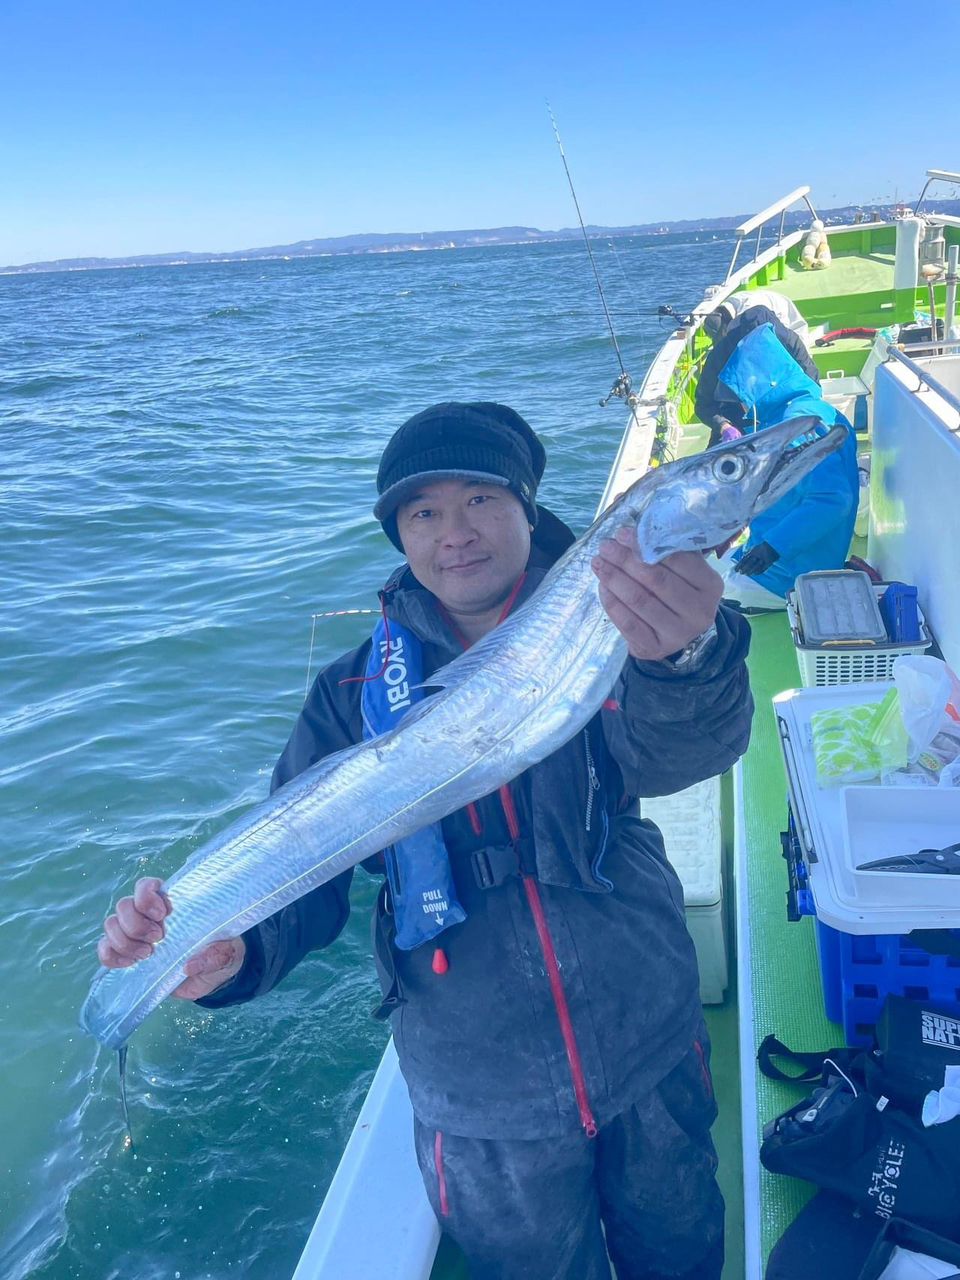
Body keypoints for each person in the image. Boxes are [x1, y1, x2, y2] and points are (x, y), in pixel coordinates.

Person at [97, 402, 754, 1280]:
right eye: (424, 512)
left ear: (529, 508)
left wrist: (688, 656)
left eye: (482, 498)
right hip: (480, 1093)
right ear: (399, 535)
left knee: (681, 1252)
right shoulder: (351, 691)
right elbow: (305, 878)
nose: (457, 533)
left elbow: (689, 753)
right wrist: (230, 955)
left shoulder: (621, 621)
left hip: (646, 1032)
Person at [713, 325, 860, 610]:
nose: (742, 406)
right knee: (712, 566)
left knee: (700, 593)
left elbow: (832, 500)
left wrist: (772, 548)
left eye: (743, 396)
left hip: (792, 573)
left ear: (764, 385)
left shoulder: (798, 426)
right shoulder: (806, 408)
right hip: (792, 553)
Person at [696, 298, 821, 445]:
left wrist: (799, 412)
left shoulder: (789, 342)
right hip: (738, 416)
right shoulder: (722, 354)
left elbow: (812, 382)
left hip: (785, 408)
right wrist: (724, 426)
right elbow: (704, 404)